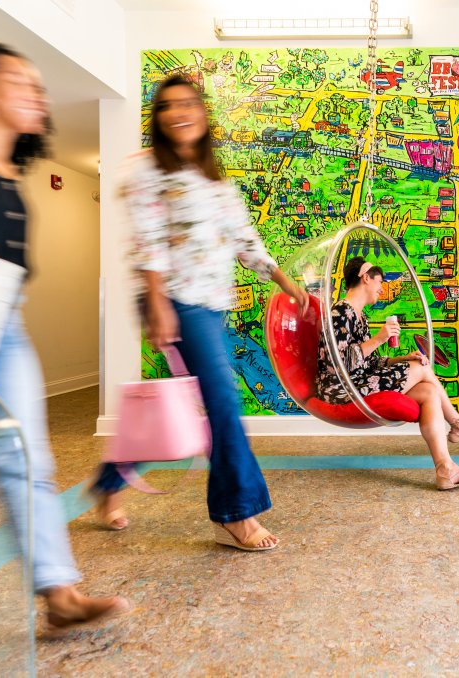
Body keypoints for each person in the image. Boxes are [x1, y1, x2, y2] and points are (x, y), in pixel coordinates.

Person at [89, 75, 309, 551]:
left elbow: (242, 236)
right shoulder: (147, 169)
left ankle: (108, 483)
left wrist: (284, 281)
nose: (178, 112)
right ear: (158, 117)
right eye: (167, 106)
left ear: (203, 113)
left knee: (180, 404)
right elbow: (146, 239)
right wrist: (159, 302)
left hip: (212, 303)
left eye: (188, 103)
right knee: (224, 405)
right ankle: (237, 514)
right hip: (175, 299)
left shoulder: (213, 177)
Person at [0, 40, 129, 633]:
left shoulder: (13, 171)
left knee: (27, 459)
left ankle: (61, 597)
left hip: (6, 325)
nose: (37, 93)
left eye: (39, 85)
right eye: (18, 81)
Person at [317, 257, 459, 490]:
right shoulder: (340, 312)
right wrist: (380, 338)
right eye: (379, 280)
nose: (382, 287)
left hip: (359, 381)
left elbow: (371, 362)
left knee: (429, 391)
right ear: (365, 277)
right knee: (422, 369)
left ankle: (446, 469)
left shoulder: (360, 316)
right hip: (341, 389)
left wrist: (402, 358)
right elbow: (336, 365)